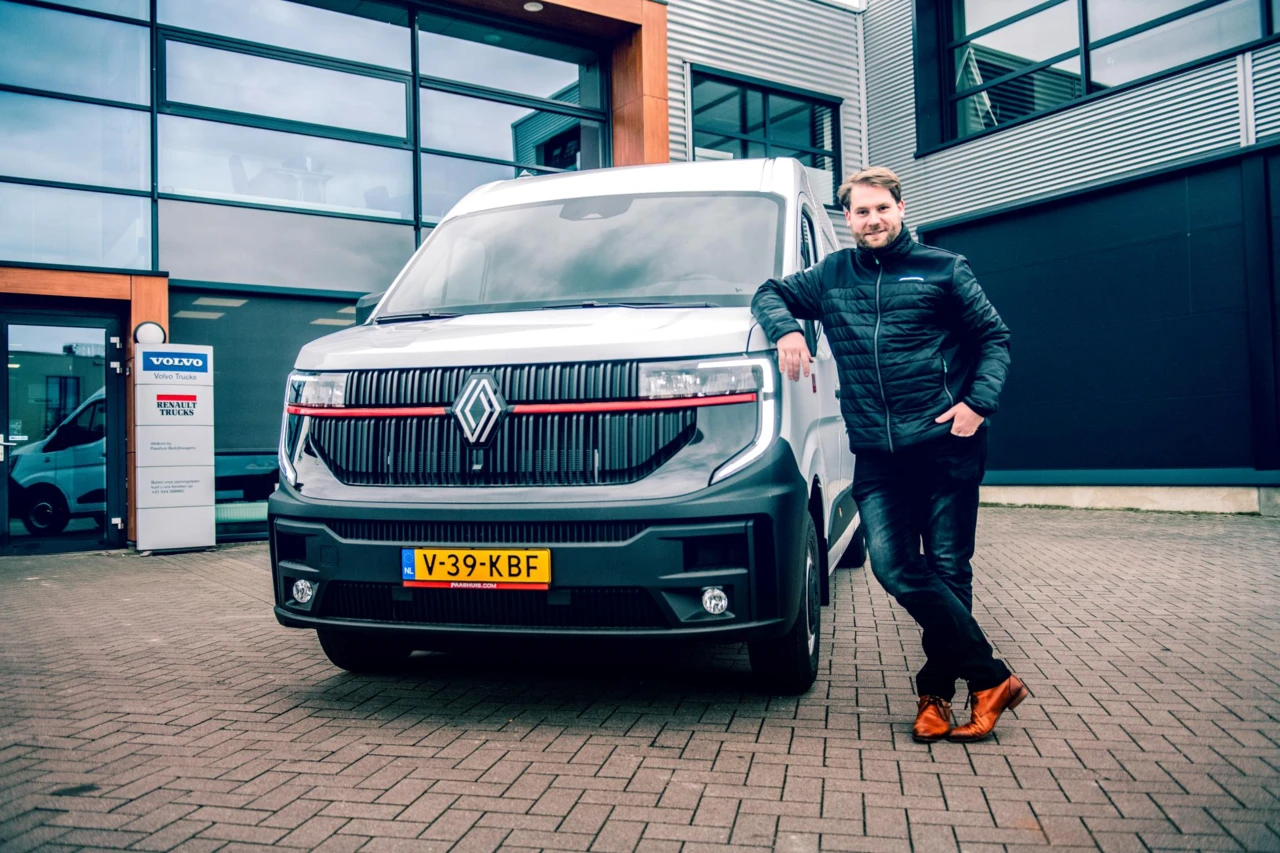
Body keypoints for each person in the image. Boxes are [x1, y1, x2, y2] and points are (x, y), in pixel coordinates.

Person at [751, 166, 1027, 743]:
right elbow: (768, 292)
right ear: (848, 219)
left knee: (948, 570)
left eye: (882, 208)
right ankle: (992, 678)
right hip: (878, 452)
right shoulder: (832, 274)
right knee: (894, 566)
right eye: (861, 211)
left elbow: (994, 338)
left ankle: (936, 696)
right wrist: (787, 332)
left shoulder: (944, 268)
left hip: (948, 443)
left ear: (900, 209)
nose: (872, 219)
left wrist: (978, 404)